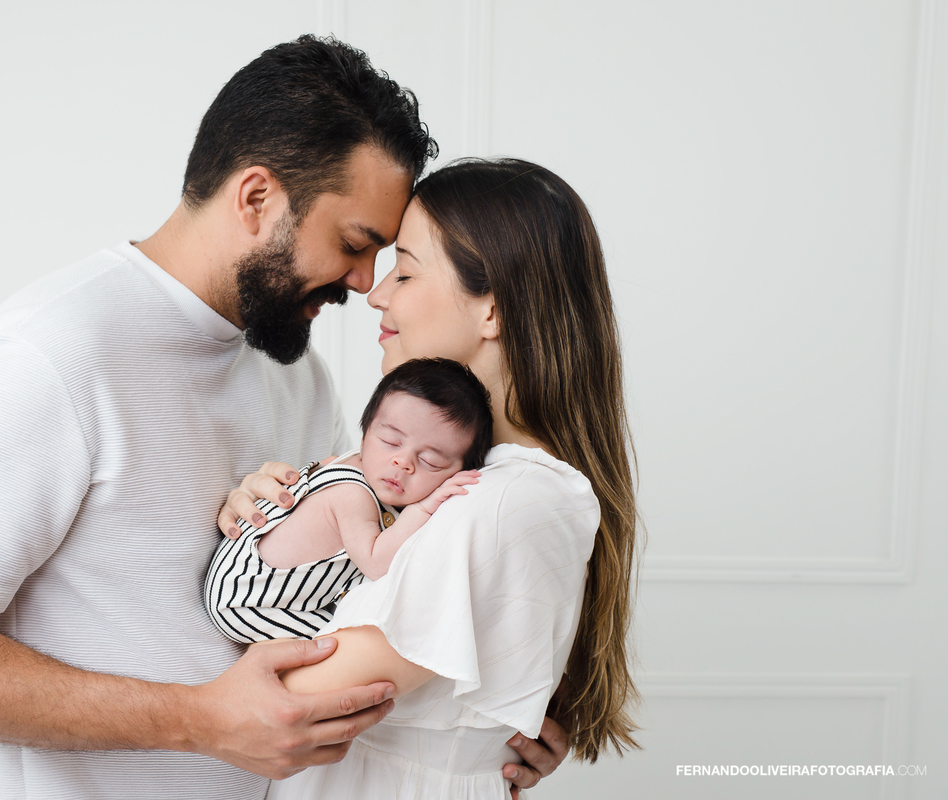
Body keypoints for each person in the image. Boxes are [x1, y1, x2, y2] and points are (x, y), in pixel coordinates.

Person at [0, 36, 564, 800]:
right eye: (353, 244)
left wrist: (473, 730)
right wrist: (196, 721)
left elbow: (351, 597)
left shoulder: (300, 378)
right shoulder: (44, 359)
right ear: (256, 198)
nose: (366, 284)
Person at [219, 158, 641, 799]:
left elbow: (276, 703)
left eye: (407, 270)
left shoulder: (493, 502)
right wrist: (274, 530)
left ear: (493, 311)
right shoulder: (466, 484)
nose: (376, 293)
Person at [206, 357, 491, 643]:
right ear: (365, 435)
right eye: (391, 441)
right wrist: (422, 508)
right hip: (246, 600)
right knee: (349, 638)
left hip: (244, 583)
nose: (403, 462)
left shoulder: (353, 464)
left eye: (430, 461)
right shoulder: (352, 494)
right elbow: (375, 563)